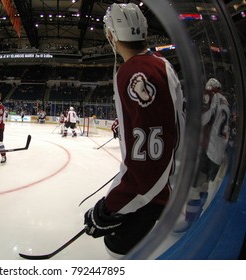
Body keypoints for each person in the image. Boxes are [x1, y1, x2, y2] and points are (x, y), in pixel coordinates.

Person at [83, 3, 184, 257]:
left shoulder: (135, 71)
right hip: (167, 183)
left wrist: (111, 206)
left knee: (118, 251)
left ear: (111, 35)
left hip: (153, 194)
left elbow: (149, 162)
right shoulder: (159, 62)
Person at [174, 78, 230, 233]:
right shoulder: (225, 101)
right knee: (208, 187)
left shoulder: (211, 96)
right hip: (219, 152)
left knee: (194, 187)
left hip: (207, 149)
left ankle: (191, 222)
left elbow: (203, 119)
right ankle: (203, 220)